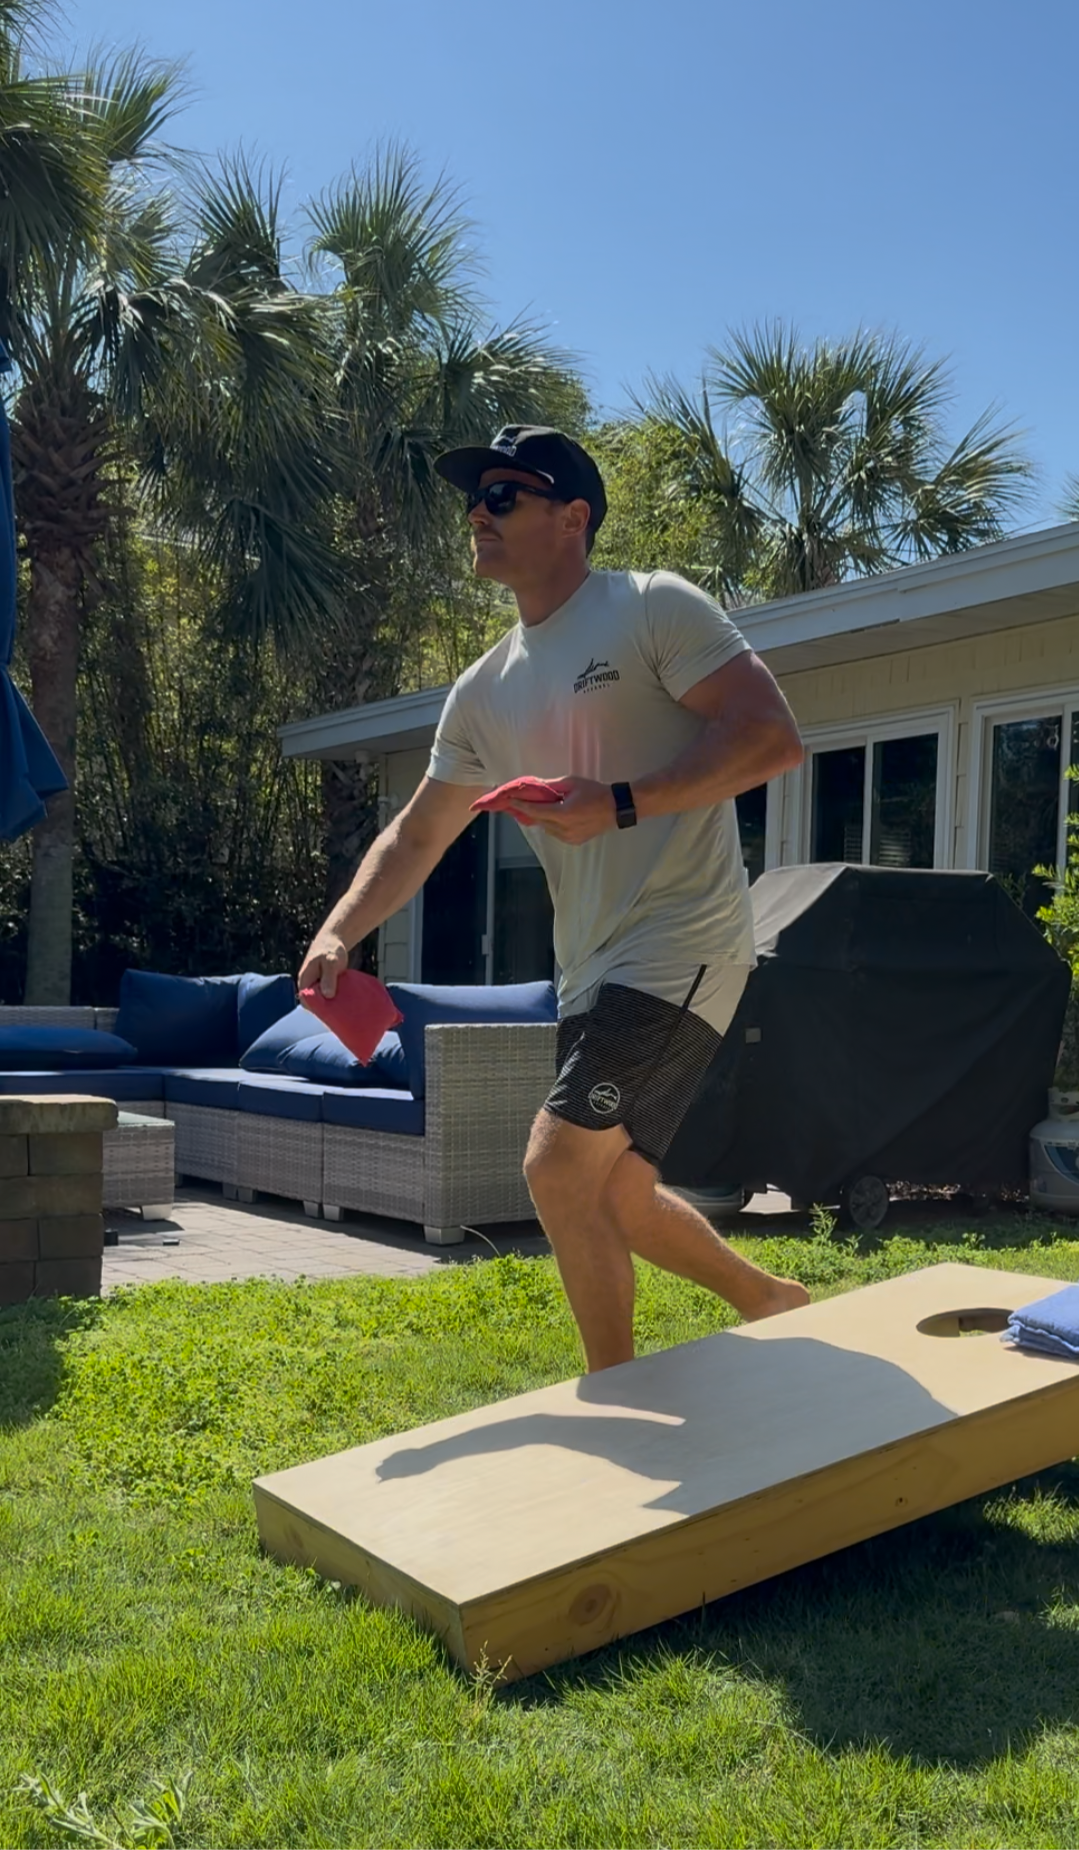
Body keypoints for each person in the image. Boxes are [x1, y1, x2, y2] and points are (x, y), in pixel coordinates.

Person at [298, 425, 810, 1372]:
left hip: (681, 939)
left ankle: (616, 1395)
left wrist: (620, 803)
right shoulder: (484, 689)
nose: (476, 513)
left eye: (503, 496)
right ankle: (768, 1298)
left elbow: (771, 737)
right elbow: (417, 832)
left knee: (555, 1163)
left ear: (572, 517)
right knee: (612, 1189)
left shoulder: (652, 608)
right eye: (474, 497)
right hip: (590, 965)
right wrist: (341, 929)